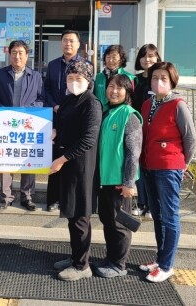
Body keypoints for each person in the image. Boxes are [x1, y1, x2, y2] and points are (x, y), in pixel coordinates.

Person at [138, 61, 196, 283]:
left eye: (163, 78)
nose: (158, 82)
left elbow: (191, 138)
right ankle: (160, 258)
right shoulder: (147, 104)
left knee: (170, 217)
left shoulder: (178, 105)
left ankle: (166, 265)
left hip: (169, 167)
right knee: (157, 215)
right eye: (155, 78)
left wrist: (183, 163)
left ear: (172, 81)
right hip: (149, 165)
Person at [49, 60, 102, 281]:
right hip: (68, 165)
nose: (73, 82)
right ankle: (75, 257)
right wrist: (55, 132)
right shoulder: (70, 99)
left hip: (81, 167)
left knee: (80, 216)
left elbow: (88, 139)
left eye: (78, 78)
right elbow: (64, 126)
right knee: (72, 214)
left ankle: (82, 266)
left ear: (88, 80)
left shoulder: (92, 103)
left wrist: (61, 159)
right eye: (70, 78)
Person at [94, 74, 143, 278]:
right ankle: (110, 258)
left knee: (120, 224)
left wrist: (128, 183)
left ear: (127, 91)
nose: (114, 91)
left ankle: (119, 265)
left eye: (119, 88)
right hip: (105, 179)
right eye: (111, 86)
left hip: (119, 182)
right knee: (108, 220)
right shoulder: (107, 113)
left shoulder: (130, 116)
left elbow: (133, 153)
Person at [0, 40, 45, 211]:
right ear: (9, 55)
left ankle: (27, 196)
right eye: (14, 52)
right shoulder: (0, 74)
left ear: (27, 56)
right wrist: (4, 111)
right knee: (6, 159)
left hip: (28, 124)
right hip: (7, 123)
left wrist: (28, 111)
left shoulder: (35, 76)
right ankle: (6, 196)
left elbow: (41, 99)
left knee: (28, 159)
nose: (17, 56)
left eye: (21, 53)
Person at [44, 29, 90, 212]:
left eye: (72, 41)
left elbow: (88, 90)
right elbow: (47, 89)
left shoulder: (86, 65)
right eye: (65, 40)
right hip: (56, 116)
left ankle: (68, 199)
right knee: (55, 156)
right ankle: (53, 199)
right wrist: (55, 105)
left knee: (71, 158)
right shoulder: (53, 65)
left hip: (76, 118)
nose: (68, 44)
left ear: (78, 44)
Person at [130, 44, 162, 217]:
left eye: (151, 56)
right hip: (137, 128)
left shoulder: (159, 79)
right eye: (143, 56)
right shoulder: (134, 80)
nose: (147, 59)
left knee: (152, 167)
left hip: (155, 130)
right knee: (139, 166)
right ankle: (142, 203)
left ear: (157, 58)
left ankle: (152, 204)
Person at [94, 44, 135, 112]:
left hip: (119, 113)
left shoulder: (128, 77)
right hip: (99, 113)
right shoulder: (99, 77)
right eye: (108, 57)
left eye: (114, 57)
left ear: (121, 59)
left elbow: (130, 100)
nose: (110, 60)